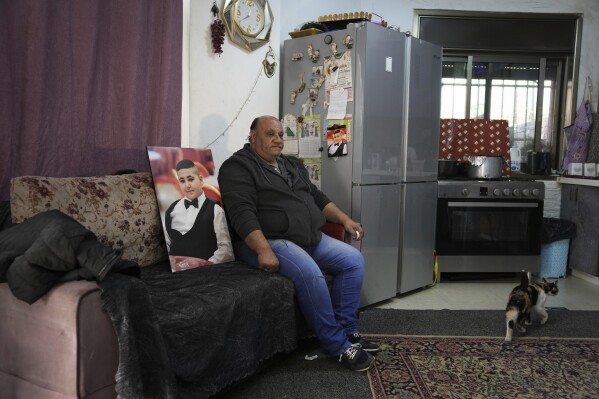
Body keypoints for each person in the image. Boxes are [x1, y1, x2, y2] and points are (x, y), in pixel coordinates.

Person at [218, 115, 379, 372]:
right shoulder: (236, 167)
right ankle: (336, 345)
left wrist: (345, 220)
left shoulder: (291, 164)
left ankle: (349, 331)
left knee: (353, 260)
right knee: (310, 273)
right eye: (270, 134)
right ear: (253, 136)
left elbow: (318, 197)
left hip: (309, 238)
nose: (278, 140)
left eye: (281, 134)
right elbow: (241, 213)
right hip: (271, 241)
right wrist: (263, 249)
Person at [164, 159, 234, 264]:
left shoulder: (216, 210)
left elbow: (226, 250)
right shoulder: (172, 209)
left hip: (205, 269)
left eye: (191, 179)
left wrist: (206, 265)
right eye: (182, 181)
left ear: (201, 180)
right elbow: (167, 243)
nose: (187, 185)